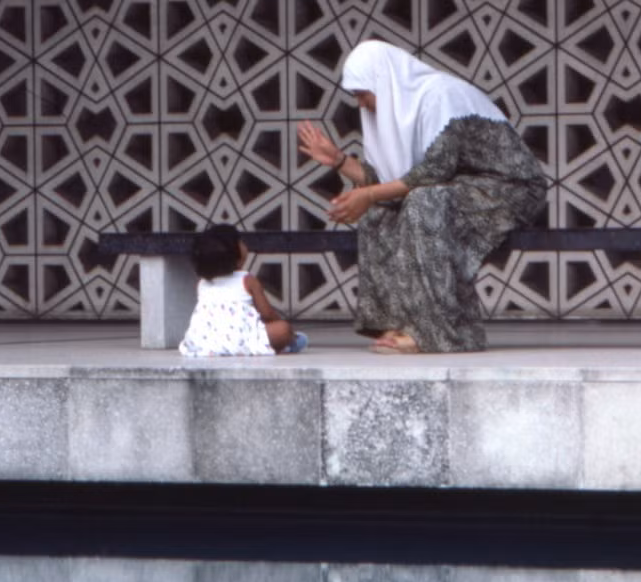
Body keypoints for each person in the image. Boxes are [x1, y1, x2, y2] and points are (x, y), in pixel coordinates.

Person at [296, 40, 547, 353]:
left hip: (510, 189)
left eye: (363, 93)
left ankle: (442, 332)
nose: (361, 104)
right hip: (453, 189)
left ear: (383, 82)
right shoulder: (399, 109)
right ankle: (399, 322)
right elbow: (391, 181)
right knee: (382, 209)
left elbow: (433, 172)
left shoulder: (440, 96)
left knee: (423, 203)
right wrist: (339, 161)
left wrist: (370, 194)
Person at [178, 224, 307, 357]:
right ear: (235, 255)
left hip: (204, 343)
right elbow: (267, 313)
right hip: (242, 340)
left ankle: (221, 349)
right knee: (283, 330)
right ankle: (289, 344)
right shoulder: (246, 279)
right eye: (240, 242)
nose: (244, 245)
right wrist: (280, 325)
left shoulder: (202, 284)